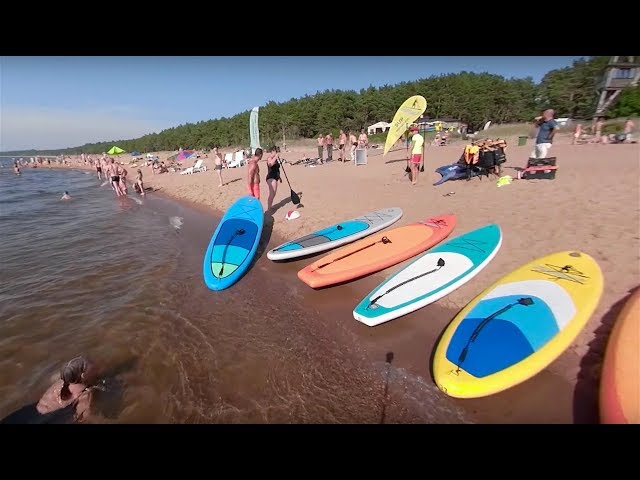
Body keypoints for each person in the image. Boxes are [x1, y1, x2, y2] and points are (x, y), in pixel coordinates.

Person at [0, 356, 97, 424]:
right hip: (47, 419)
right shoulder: (85, 394)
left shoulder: (60, 381)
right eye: (93, 368)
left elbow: (52, 377)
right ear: (83, 375)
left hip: (28, 412)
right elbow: (83, 418)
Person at [265, 146, 282, 211]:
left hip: (275, 177)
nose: (277, 152)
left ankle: (270, 206)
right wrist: (275, 157)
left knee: (274, 193)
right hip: (271, 177)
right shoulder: (269, 158)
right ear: (273, 151)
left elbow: (276, 169)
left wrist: (279, 177)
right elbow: (270, 164)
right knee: (272, 193)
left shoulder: (275, 159)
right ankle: (269, 208)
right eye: (276, 151)